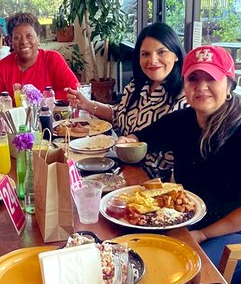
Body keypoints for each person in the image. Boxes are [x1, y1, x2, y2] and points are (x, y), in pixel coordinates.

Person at [118, 45, 241, 281]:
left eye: (211, 78)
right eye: (193, 78)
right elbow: (141, 138)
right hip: (194, 220)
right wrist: (126, 140)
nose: (201, 87)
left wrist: (203, 233)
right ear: (184, 85)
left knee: (180, 269)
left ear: (230, 85)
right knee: (129, 247)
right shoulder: (182, 121)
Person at [68, 21, 186, 177]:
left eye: (161, 52)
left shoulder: (184, 97)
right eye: (145, 54)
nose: (152, 60)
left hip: (156, 183)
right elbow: (119, 116)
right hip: (121, 169)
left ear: (176, 54)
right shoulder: (137, 86)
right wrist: (88, 105)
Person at [0, 12, 78, 103]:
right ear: (10, 42)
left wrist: (40, 100)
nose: (24, 42)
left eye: (29, 36)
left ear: (38, 39)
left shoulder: (53, 59)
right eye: (17, 37)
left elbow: (75, 92)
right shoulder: (0, 69)